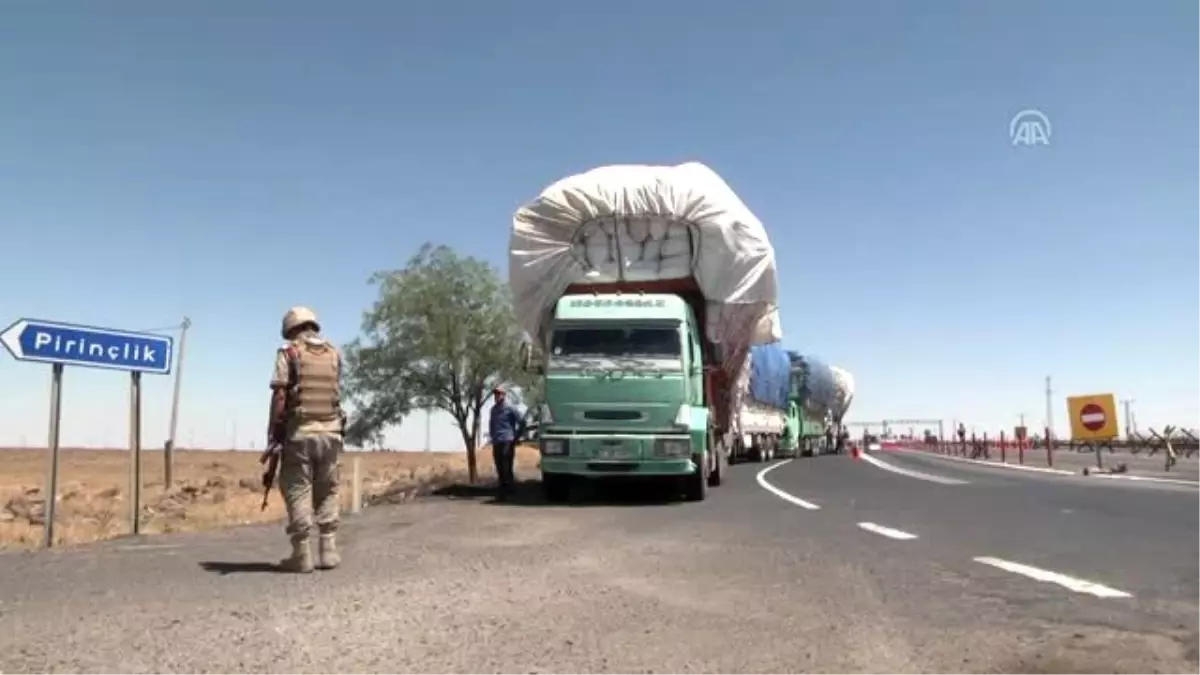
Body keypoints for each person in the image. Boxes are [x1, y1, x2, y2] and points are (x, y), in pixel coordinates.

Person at [267, 306, 346, 573]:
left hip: (300, 433)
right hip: (333, 433)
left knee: (297, 486)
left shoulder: (288, 353)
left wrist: (273, 435)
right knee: (328, 487)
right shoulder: (334, 353)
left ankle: (301, 555)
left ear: (291, 329)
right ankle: (328, 550)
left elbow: (279, 396)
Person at [489, 387, 523, 501]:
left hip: (508, 440)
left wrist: (517, 436)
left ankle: (510, 490)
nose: (497, 396)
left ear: (504, 395)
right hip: (497, 440)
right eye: (495, 395)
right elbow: (492, 424)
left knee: (506, 465)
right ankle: (502, 491)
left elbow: (522, 421)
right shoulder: (493, 410)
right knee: (499, 466)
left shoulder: (510, 408)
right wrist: (492, 436)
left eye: (499, 394)